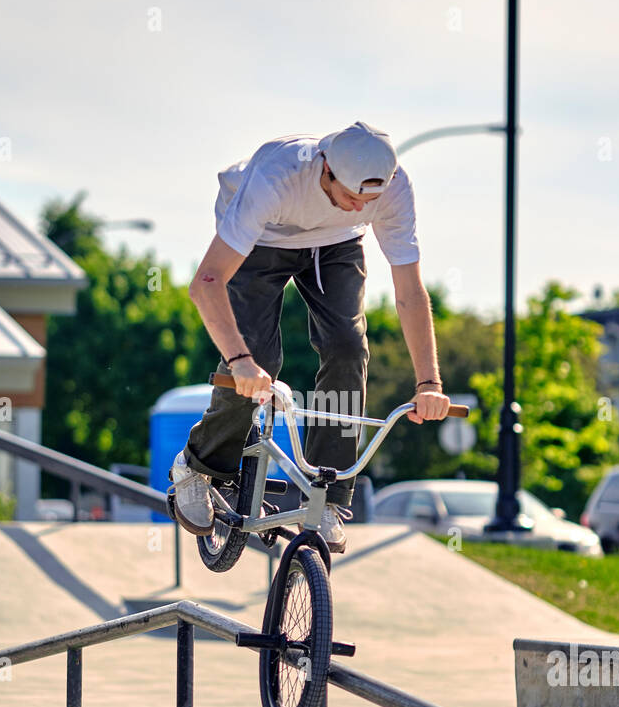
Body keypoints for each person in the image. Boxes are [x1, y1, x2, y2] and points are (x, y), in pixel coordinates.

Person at [171, 120, 451, 553]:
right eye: (350, 197)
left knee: (347, 347)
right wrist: (240, 360)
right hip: (260, 238)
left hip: (336, 247)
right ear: (325, 170)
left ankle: (329, 494)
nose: (359, 207)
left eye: (368, 200)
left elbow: (410, 293)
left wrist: (429, 382)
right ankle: (199, 465)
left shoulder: (393, 189)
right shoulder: (276, 178)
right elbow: (205, 282)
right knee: (258, 357)